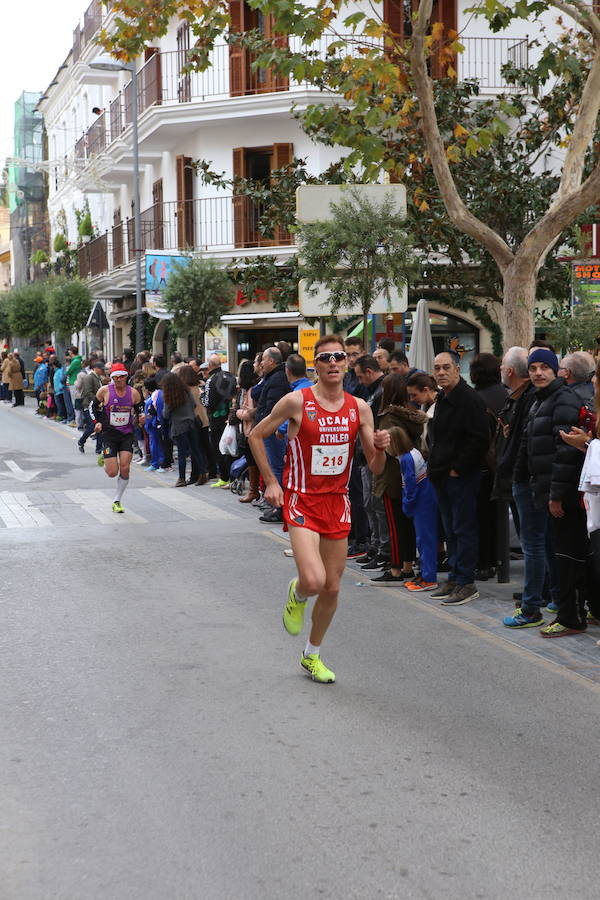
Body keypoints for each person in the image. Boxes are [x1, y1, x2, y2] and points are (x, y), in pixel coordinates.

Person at [249, 335, 390, 683]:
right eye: (325, 358)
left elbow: (375, 467)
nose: (332, 363)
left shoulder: (360, 408)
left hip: (337, 501)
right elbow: (255, 434)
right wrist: (270, 481)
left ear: (346, 363)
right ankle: (298, 593)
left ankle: (312, 655)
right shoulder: (297, 401)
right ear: (316, 364)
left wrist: (381, 447)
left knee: (332, 587)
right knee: (313, 580)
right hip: (301, 499)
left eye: (338, 357)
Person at [504, 348, 584, 632]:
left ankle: (533, 608)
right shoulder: (541, 398)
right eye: (534, 367)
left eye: (544, 368)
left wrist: (555, 495)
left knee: (539, 547)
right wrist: (517, 479)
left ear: (556, 371)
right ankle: (552, 603)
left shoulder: (561, 399)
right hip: (533, 486)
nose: (538, 372)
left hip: (548, 490)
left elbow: (566, 453)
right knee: (547, 548)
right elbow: (528, 445)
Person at [427, 351, 490, 605]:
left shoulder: (469, 398)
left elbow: (479, 439)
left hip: (461, 476)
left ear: (457, 369)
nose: (441, 372)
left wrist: (458, 469)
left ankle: (466, 581)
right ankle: (454, 577)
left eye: (446, 368)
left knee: (463, 529)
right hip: (442, 474)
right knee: (450, 529)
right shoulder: (443, 397)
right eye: (437, 368)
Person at [371, 374, 426, 584]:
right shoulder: (412, 415)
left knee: (395, 525)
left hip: (392, 476)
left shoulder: (387, 417)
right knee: (407, 524)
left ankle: (396, 568)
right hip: (412, 472)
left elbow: (385, 450)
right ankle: (407, 565)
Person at [470, 352, 508, 580]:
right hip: (503, 463)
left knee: (481, 517)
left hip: (483, 465)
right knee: (495, 516)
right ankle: (497, 558)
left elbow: (477, 437)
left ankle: (485, 562)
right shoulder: (507, 395)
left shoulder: (477, 398)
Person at [90, 361, 145, 513]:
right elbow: (92, 406)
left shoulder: (133, 393)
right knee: (112, 472)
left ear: (126, 377)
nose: (119, 380)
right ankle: (105, 455)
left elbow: (141, 408)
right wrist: (97, 422)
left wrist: (142, 416)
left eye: (122, 377)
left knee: (125, 467)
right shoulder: (104, 391)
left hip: (126, 434)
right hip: (109, 435)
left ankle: (117, 500)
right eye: (116, 377)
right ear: (112, 378)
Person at [355, 355, 390, 569]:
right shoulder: (372, 391)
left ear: (369, 371)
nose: (359, 381)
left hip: (374, 456)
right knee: (369, 504)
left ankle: (382, 549)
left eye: (360, 376)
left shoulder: (381, 391)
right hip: (365, 456)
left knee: (376, 505)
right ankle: (376, 546)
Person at [254, 347, 291, 523]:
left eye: (264, 359)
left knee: (276, 467)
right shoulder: (271, 377)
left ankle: (280, 507)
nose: (261, 362)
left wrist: (265, 425)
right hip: (268, 430)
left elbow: (272, 408)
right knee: (273, 466)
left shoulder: (277, 378)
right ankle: (278, 505)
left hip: (272, 431)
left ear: (272, 361)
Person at [162, 372, 207, 487]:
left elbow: (165, 414)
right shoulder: (186, 391)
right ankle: (202, 474)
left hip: (179, 427)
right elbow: (193, 405)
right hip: (191, 423)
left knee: (182, 453)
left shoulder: (169, 396)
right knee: (196, 450)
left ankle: (181, 478)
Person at [78, 359, 106, 457]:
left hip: (98, 406)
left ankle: (99, 448)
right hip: (89, 405)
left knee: (99, 427)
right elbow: (88, 392)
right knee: (92, 426)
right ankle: (81, 441)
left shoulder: (98, 377)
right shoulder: (89, 377)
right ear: (96, 368)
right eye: (101, 369)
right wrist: (97, 402)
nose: (103, 371)